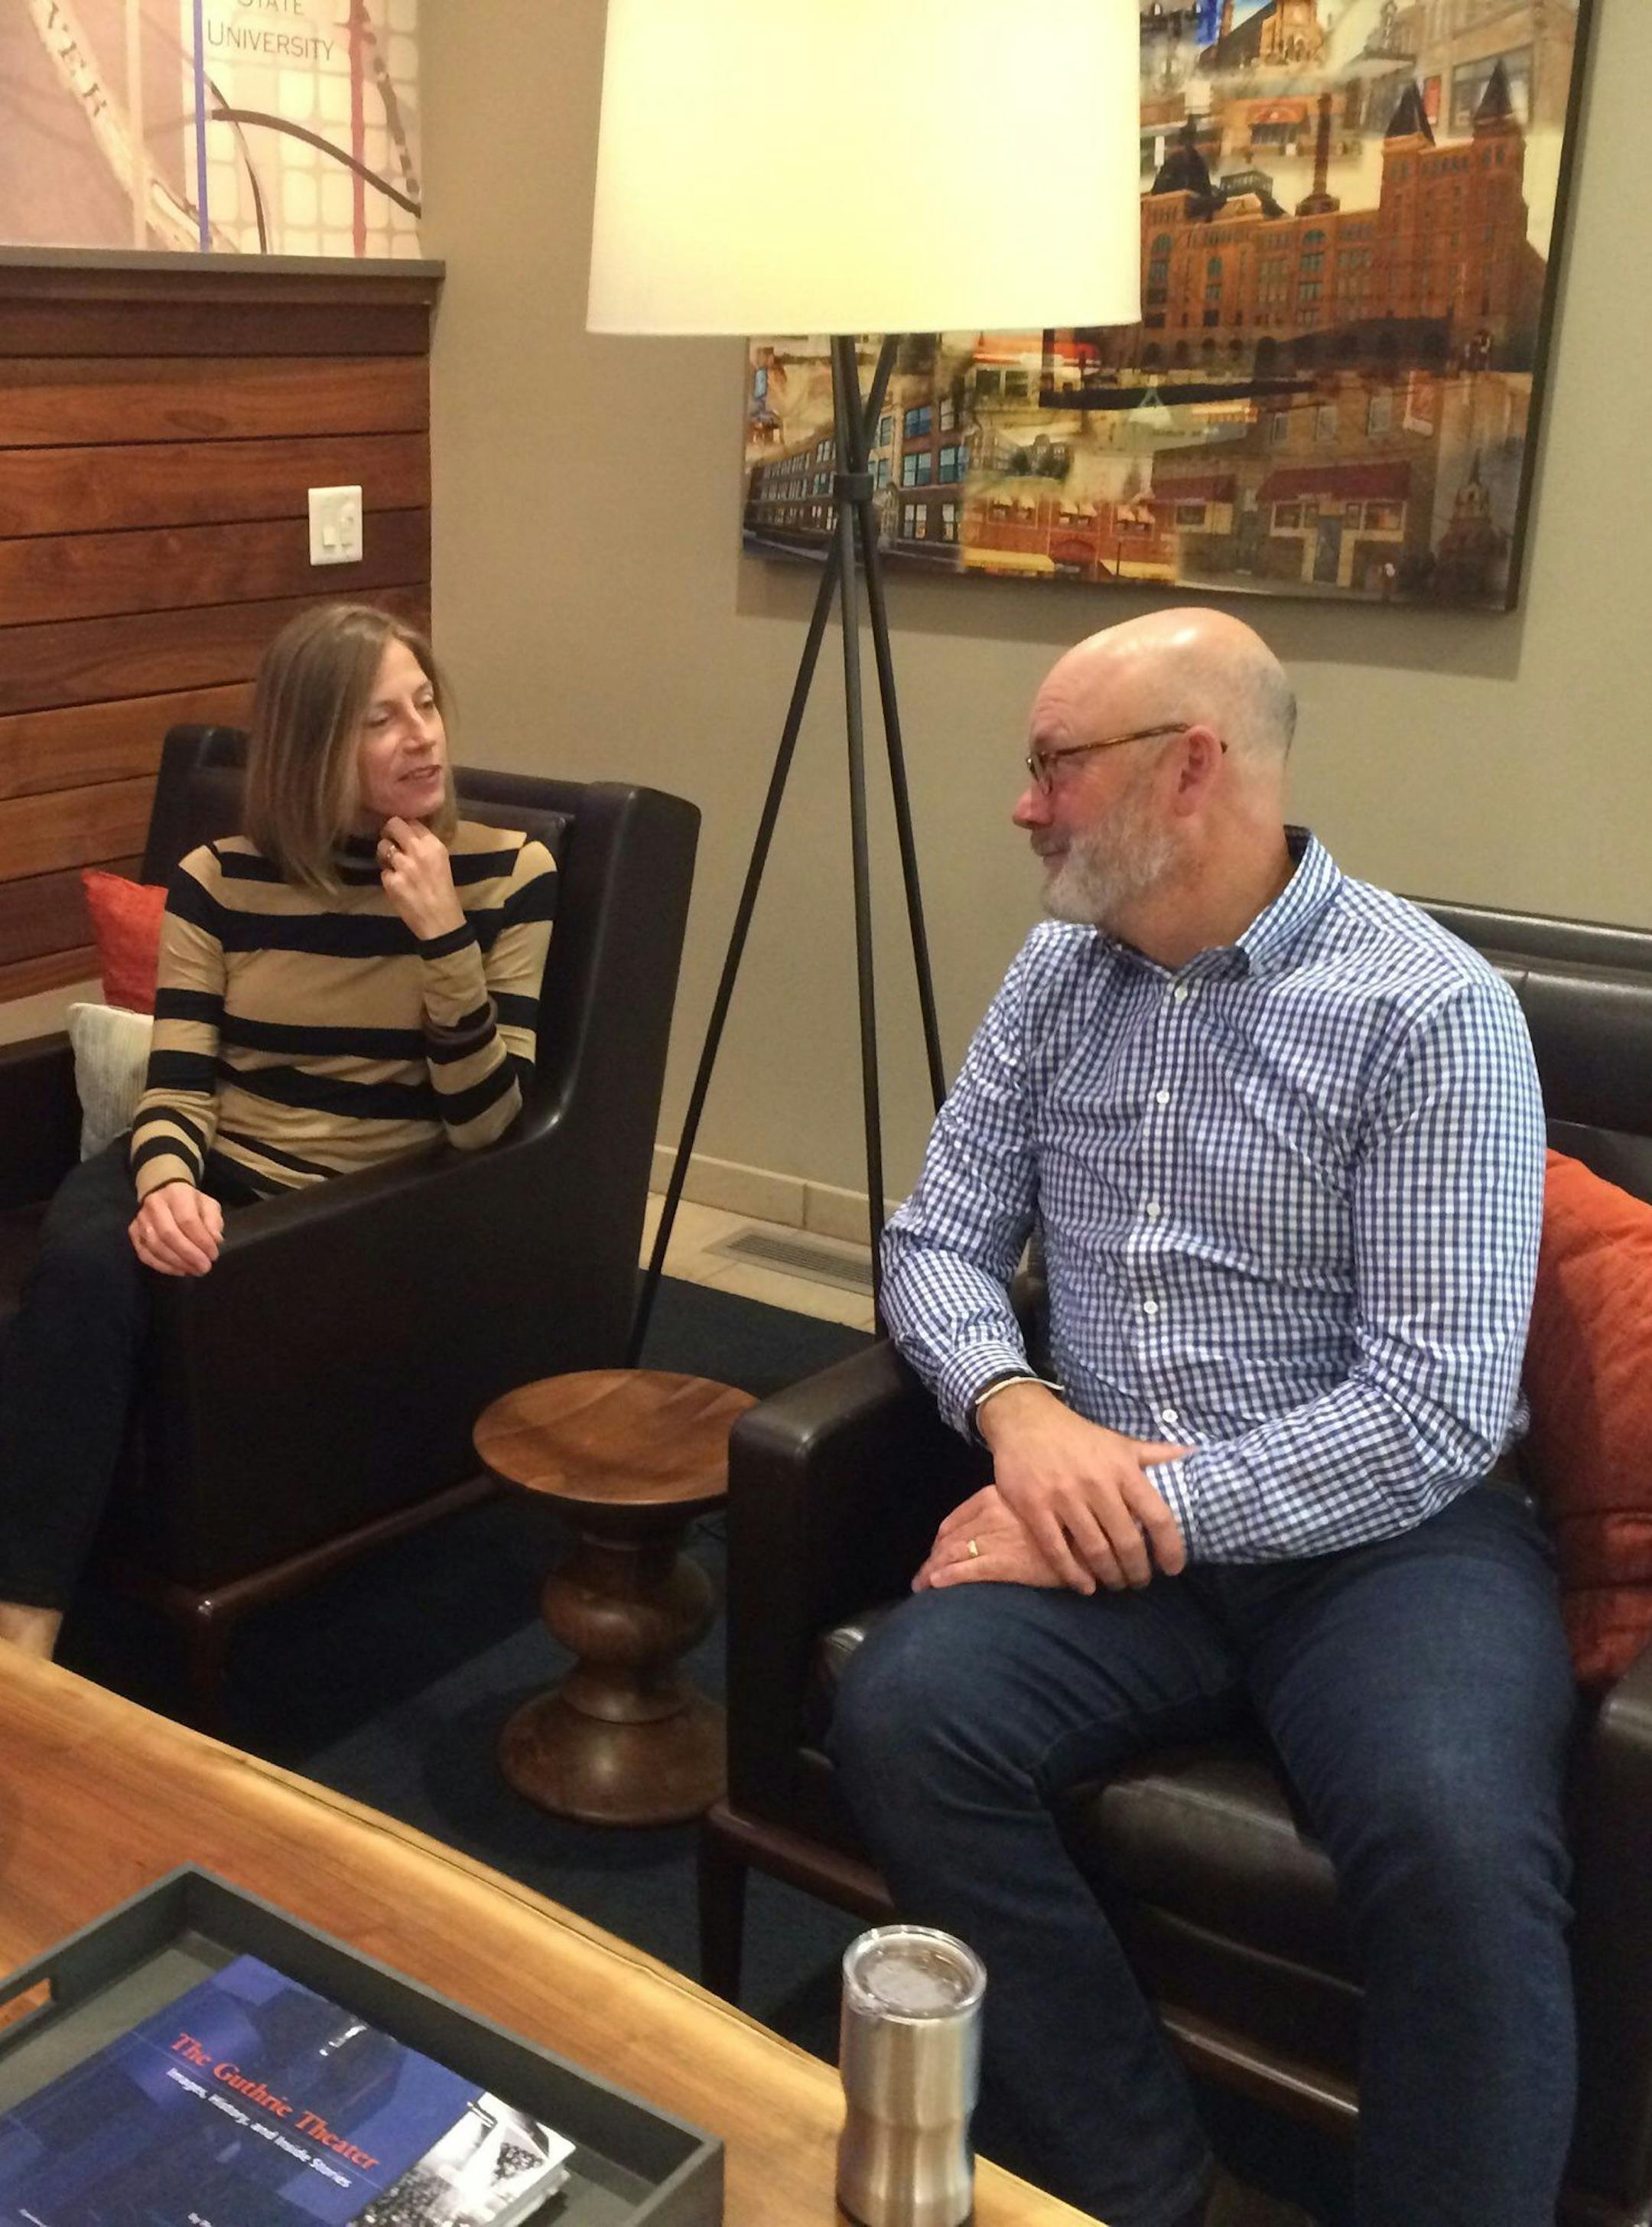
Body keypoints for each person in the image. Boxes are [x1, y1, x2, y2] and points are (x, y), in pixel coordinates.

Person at [830, 608, 1576, 2227]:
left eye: (1053, 769)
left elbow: (1436, 1404)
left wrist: (1135, 1502)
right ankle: (1154, 2191)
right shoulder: (1058, 973)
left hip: (1386, 1544)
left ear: (1190, 769)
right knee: (906, 1713)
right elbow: (937, 1240)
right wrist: (1023, 1416)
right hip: (1109, 1517)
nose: (1023, 806)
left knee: (1456, 1842)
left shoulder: (1428, 1012)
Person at [0, 602, 558, 1662]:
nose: (425, 737)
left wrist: (441, 935)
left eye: (427, 705)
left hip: (345, 1208)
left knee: (119, 1274)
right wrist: (166, 1183)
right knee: (84, 1256)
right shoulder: (221, 878)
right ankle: (23, 1633)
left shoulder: (504, 872)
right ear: (313, 744)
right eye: (383, 720)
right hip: (215, 1161)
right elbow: (180, 1081)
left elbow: (488, 1125)